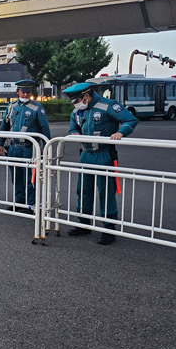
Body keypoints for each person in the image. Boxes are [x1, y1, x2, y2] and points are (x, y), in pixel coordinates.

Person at [63, 82, 139, 245]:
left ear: (86, 96)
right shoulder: (78, 110)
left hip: (104, 154)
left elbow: (130, 120)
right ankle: (84, 223)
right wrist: (75, 134)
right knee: (82, 190)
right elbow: (72, 127)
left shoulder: (109, 105)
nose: (75, 104)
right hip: (85, 155)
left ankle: (108, 229)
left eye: (77, 100)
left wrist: (120, 132)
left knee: (106, 192)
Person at [0, 79, 51, 213]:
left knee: (30, 177)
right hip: (14, 147)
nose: (25, 95)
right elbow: (5, 125)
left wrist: (46, 145)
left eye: (28, 92)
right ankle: (19, 201)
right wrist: (0, 143)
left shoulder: (37, 107)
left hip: (29, 147)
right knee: (16, 176)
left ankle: (32, 204)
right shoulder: (11, 107)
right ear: (17, 91)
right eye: (23, 92)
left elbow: (45, 128)